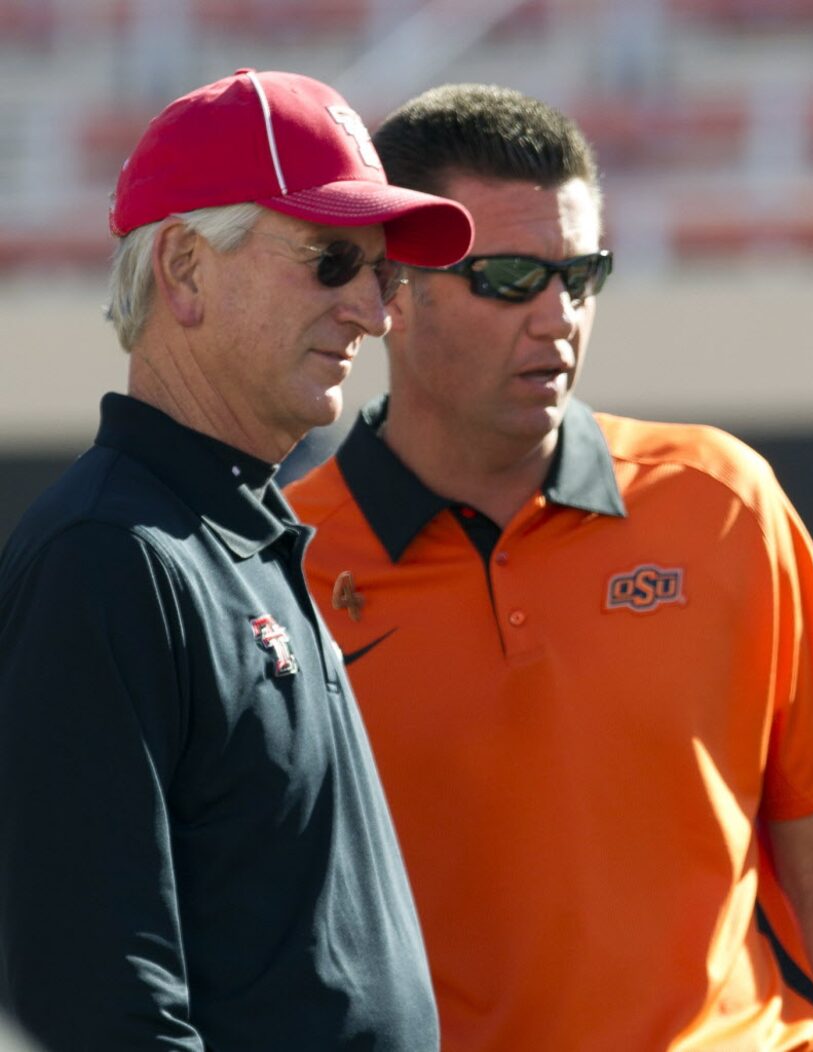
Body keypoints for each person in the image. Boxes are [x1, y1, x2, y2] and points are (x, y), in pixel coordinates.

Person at [287, 83, 813, 1051]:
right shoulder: (278, 566)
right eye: (507, 277)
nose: (558, 316)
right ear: (389, 292)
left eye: (580, 275)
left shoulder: (724, 499)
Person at [0, 69, 473, 1052]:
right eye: (334, 259)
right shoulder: (109, 555)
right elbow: (95, 1001)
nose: (374, 311)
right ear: (182, 267)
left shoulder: (224, 533)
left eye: (384, 273)